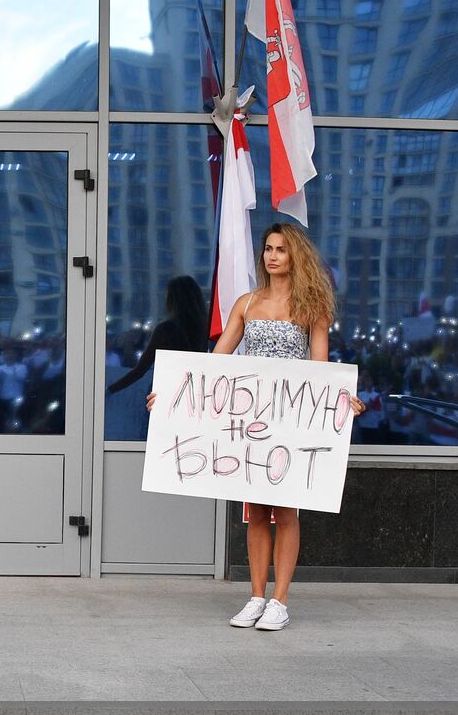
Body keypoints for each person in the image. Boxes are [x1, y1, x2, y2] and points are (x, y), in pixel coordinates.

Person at [147, 225, 363, 631]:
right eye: (268, 248)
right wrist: (172, 397)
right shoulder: (246, 304)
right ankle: (255, 596)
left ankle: (280, 601)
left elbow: (320, 368)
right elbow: (214, 363)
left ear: (295, 255)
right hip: (253, 424)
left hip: (291, 421)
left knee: (286, 510)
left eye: (281, 249)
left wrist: (341, 399)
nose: (272, 255)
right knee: (256, 512)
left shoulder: (312, 307)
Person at [107, 274, 209, 395]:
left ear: (173, 300)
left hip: (164, 394)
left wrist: (109, 390)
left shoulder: (166, 330)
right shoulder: (204, 330)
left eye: (167, 295)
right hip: (193, 395)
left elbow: (139, 371)